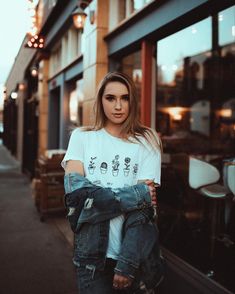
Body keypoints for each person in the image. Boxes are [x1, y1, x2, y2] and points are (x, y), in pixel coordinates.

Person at [61, 72, 164, 293]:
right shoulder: (81, 137)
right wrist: (135, 195)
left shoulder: (147, 140)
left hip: (133, 256)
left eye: (124, 98)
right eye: (110, 98)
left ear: (132, 101)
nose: (118, 106)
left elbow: (143, 213)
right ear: (100, 100)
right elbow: (76, 198)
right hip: (90, 257)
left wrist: (126, 265)